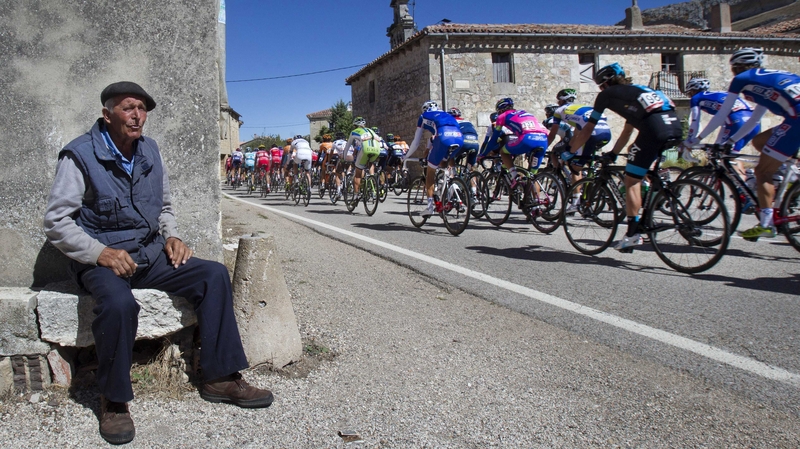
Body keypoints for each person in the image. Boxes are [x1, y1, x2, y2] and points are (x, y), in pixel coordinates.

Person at [42, 82, 273, 445]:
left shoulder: (149, 150)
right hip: (102, 261)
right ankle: (114, 401)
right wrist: (98, 253)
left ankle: (220, 376)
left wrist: (172, 237)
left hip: (148, 254)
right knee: (118, 303)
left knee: (212, 274)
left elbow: (164, 208)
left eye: (142, 109)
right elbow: (57, 221)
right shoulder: (79, 155)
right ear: (107, 115)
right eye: (128, 108)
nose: (137, 115)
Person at [568, 63, 683, 251]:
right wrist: (614, 153)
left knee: (632, 180)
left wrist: (572, 151)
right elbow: (628, 130)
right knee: (637, 159)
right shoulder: (639, 93)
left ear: (604, 84)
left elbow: (588, 128)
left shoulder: (606, 95)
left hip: (654, 130)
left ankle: (633, 234)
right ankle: (657, 193)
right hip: (675, 127)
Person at [689, 48, 800, 240]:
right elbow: (755, 119)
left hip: (796, 118)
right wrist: (732, 141)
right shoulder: (767, 79)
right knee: (759, 141)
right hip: (792, 118)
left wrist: (698, 140)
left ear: (737, 67)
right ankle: (786, 173)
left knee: (762, 172)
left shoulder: (742, 79)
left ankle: (767, 223)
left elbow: (724, 113)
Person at [682, 76, 762, 213]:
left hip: (735, 122)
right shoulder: (720, 94)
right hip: (753, 122)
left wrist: (692, 139)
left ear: (692, 91)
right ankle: (748, 182)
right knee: (730, 156)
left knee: (722, 156)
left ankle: (744, 192)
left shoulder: (696, 98)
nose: (690, 96)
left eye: (689, 93)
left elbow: (694, 121)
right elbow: (720, 123)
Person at [548, 88, 612, 212]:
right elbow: (577, 133)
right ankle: (594, 187)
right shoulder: (582, 109)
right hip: (606, 133)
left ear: (561, 101)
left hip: (591, 134)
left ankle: (575, 203)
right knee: (584, 160)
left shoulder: (559, 111)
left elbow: (552, 134)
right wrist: (570, 148)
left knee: (575, 168)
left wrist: (566, 151)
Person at [403, 101, 464, 217]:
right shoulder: (447, 114)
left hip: (443, 138)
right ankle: (451, 186)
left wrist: (406, 156)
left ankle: (430, 207)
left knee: (430, 172)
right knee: (444, 164)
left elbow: (416, 142)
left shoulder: (423, 116)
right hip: (459, 139)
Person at [482, 97, 549, 188]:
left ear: (500, 110)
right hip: (543, 140)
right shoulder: (526, 113)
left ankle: (515, 176)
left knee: (503, 152)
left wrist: (483, 154)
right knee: (532, 177)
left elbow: (493, 140)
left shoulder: (502, 116)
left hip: (527, 139)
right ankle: (535, 199)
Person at [344, 117, 382, 201]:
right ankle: (372, 183)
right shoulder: (371, 130)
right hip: (377, 150)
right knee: (370, 164)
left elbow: (347, 146)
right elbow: (379, 139)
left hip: (365, 150)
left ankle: (355, 197)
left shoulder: (354, 131)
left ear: (355, 125)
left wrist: (344, 158)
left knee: (358, 173)